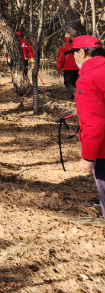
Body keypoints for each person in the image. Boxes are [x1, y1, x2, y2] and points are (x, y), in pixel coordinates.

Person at [66, 35, 105, 219]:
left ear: (81, 52)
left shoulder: (88, 79)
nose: (74, 57)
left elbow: (94, 123)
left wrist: (87, 158)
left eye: (74, 53)